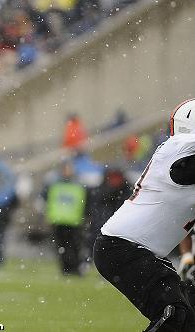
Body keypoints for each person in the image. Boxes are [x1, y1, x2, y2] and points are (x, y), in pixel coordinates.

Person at [94, 99, 195, 332]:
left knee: (189, 319)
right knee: (173, 315)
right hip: (120, 247)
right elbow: (185, 170)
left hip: (141, 251)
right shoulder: (175, 150)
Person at [42, 160, 87, 276]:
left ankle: (75, 269)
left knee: (74, 247)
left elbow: (85, 202)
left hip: (73, 220)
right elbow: (46, 200)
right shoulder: (54, 184)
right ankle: (66, 269)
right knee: (62, 247)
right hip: (59, 220)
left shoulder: (78, 184)